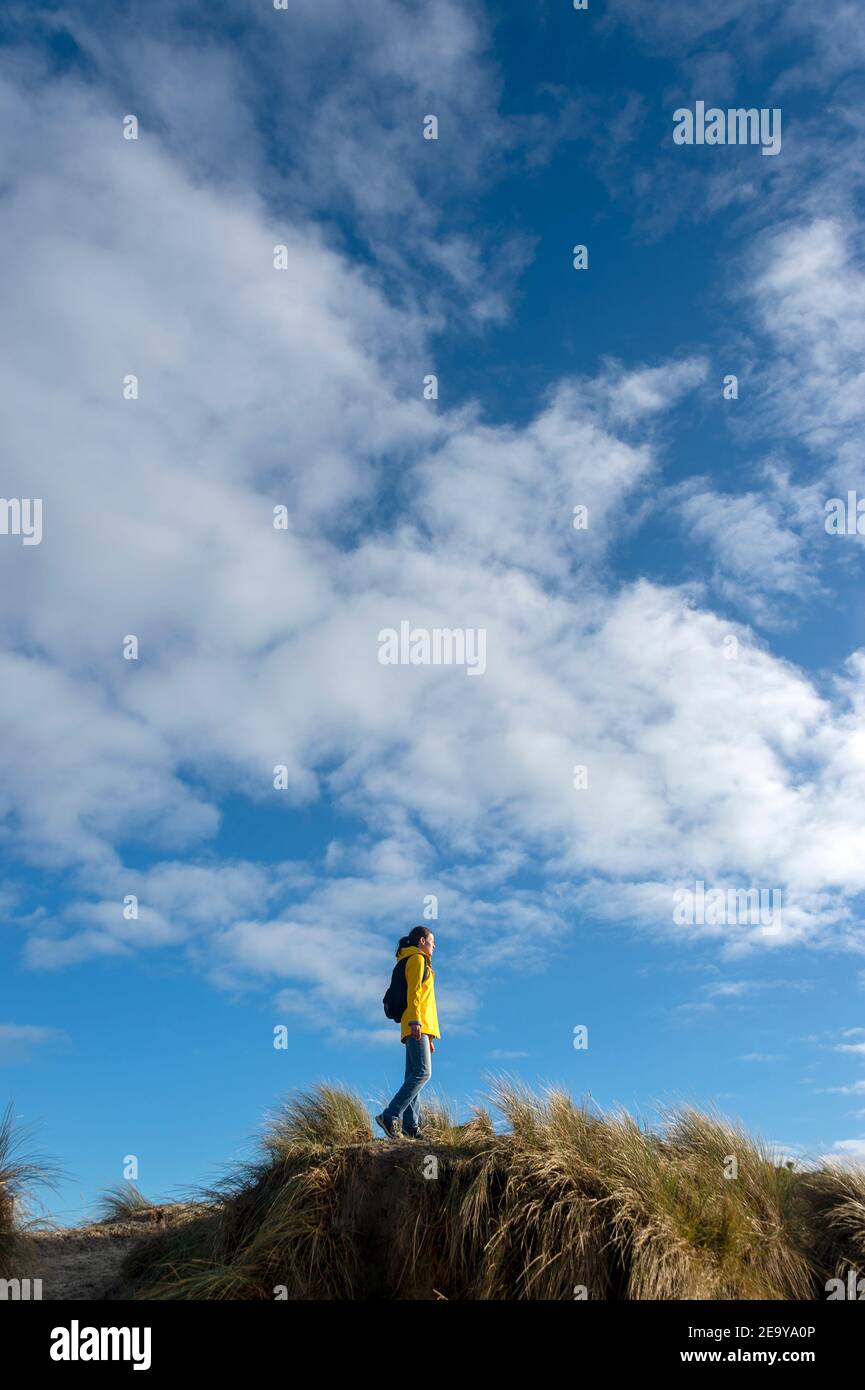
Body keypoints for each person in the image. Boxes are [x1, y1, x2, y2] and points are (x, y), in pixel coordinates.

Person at [376, 926, 439, 1139]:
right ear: (422, 941)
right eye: (432, 941)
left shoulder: (419, 960)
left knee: (413, 1075)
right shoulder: (417, 960)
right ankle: (390, 1114)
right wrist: (415, 1022)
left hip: (421, 1026)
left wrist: (429, 1035)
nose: (434, 946)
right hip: (415, 1023)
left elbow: (425, 1000)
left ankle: (410, 1127)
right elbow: (414, 993)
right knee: (423, 1073)